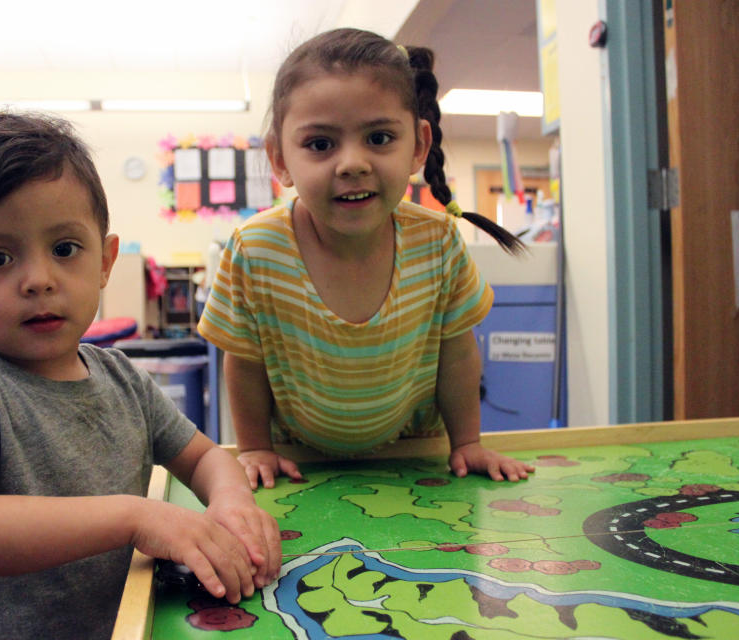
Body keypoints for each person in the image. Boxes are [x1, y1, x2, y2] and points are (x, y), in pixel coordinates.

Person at [0, 112, 280, 640]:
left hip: (131, 625)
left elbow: (204, 456)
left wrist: (231, 501)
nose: (38, 280)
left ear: (104, 260)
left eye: (64, 249)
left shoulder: (121, 377)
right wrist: (136, 517)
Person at [197, 28, 536, 490]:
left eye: (378, 137)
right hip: (297, 465)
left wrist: (467, 442)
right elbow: (245, 361)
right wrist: (255, 448)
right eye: (320, 144)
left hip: (415, 458)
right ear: (279, 158)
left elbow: (457, 353)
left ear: (418, 145)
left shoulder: (436, 242)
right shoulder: (255, 250)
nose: (352, 163)